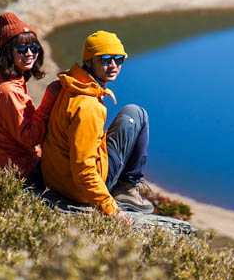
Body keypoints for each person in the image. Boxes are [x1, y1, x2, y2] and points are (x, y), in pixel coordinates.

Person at [41, 30, 153, 219]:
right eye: (105, 59)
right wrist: (110, 209)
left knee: (128, 116)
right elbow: (83, 169)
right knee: (136, 114)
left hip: (56, 178)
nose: (113, 65)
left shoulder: (69, 84)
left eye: (119, 59)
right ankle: (126, 189)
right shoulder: (88, 106)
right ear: (89, 61)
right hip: (78, 190)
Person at [0, 12, 59, 185]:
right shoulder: (8, 92)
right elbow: (29, 138)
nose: (29, 53)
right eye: (21, 48)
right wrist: (50, 101)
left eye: (34, 48)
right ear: (8, 53)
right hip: (16, 173)